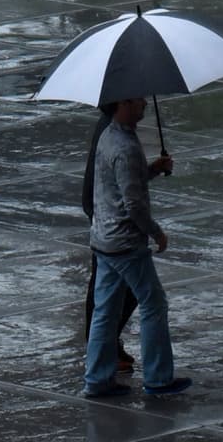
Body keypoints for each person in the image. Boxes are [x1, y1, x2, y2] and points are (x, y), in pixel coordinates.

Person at [83, 97, 192, 398]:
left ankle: (97, 379)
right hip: (126, 243)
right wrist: (156, 233)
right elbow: (133, 204)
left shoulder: (109, 135)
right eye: (137, 99)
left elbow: (121, 181)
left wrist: (152, 169)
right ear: (122, 103)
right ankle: (158, 378)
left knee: (105, 310)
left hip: (104, 239)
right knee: (153, 303)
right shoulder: (126, 146)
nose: (144, 103)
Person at [81, 102, 137, 373]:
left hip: (107, 218)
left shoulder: (115, 129)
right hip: (112, 223)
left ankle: (103, 347)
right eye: (137, 98)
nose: (144, 102)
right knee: (122, 289)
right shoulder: (115, 135)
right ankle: (102, 349)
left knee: (115, 288)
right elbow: (126, 188)